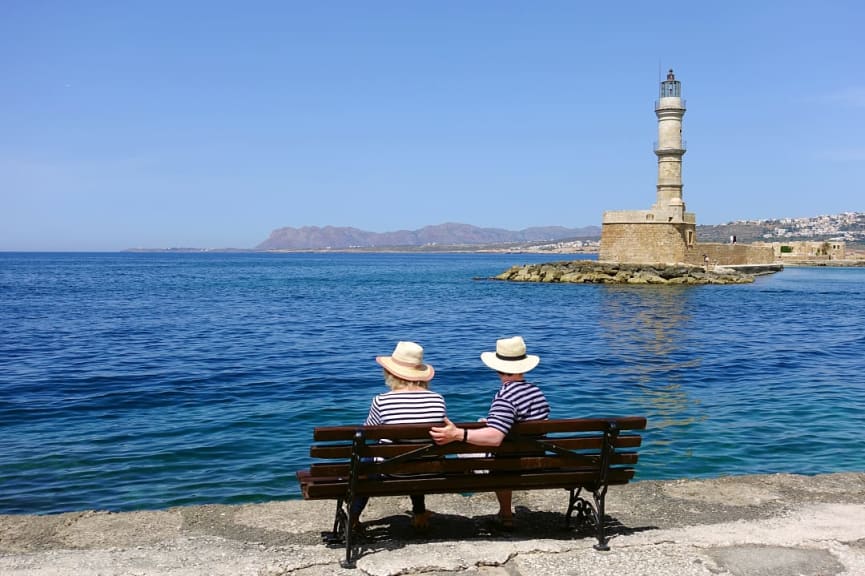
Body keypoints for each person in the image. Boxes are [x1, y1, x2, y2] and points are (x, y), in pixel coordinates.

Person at [429, 336, 549, 530]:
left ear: (497, 367)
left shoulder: (505, 396)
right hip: (535, 457)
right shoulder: (536, 392)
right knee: (497, 446)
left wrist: (459, 434)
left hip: (510, 462)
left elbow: (494, 438)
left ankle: (471, 492)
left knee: (464, 446)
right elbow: (523, 424)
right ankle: (505, 513)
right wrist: (494, 423)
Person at [351, 341, 446, 531]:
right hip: (431, 470)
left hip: (392, 470)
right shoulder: (437, 399)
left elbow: (367, 431)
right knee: (417, 450)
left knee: (365, 464)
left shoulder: (382, 400)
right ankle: (419, 514)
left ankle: (353, 517)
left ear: (391, 373)